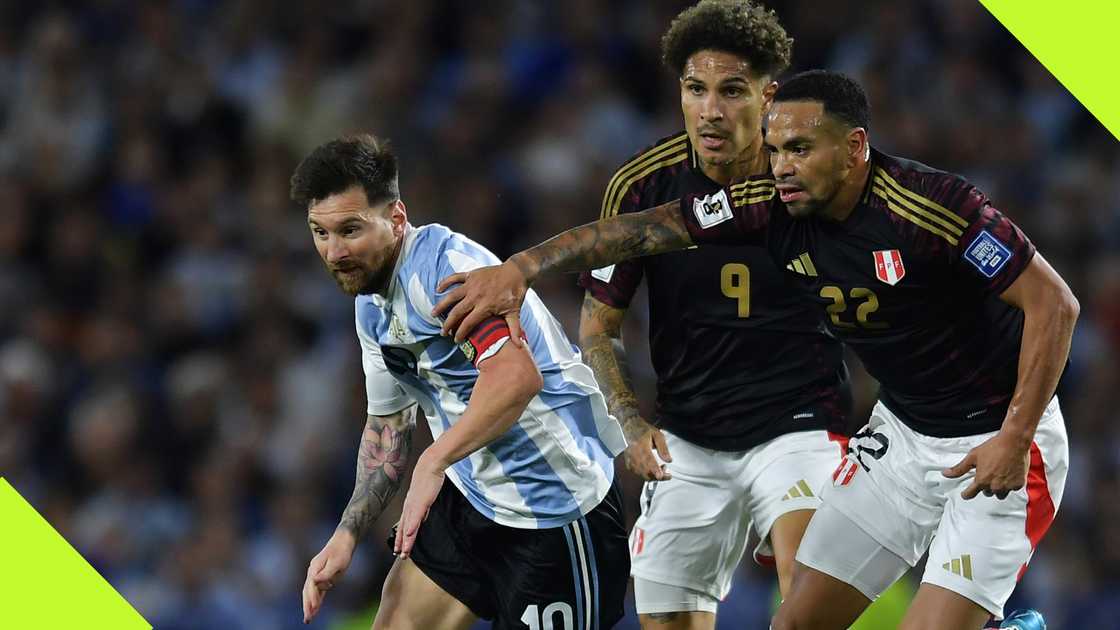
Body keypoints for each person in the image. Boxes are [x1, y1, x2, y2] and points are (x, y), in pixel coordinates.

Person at [431, 71, 1076, 630]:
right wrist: (520, 268)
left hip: (1000, 443)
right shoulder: (768, 204)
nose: (781, 166)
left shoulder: (932, 208)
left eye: (800, 149)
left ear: (855, 148)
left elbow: (1055, 306)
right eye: (773, 149)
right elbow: (642, 232)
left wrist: (1015, 437)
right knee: (794, 621)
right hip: (903, 434)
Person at [575, 2, 850, 627]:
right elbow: (598, 324)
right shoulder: (642, 186)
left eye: (731, 90)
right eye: (696, 89)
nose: (711, 111)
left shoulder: (807, 176)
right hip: (689, 436)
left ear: (768, 95)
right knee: (665, 617)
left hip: (799, 424)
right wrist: (629, 423)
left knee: (806, 592)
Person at [292, 134, 630, 629]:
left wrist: (433, 461)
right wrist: (347, 534)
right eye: (320, 233)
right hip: (473, 496)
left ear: (397, 219)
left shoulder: (446, 274)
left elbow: (517, 378)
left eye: (350, 230)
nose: (334, 251)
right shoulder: (372, 302)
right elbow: (389, 427)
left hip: (557, 510)